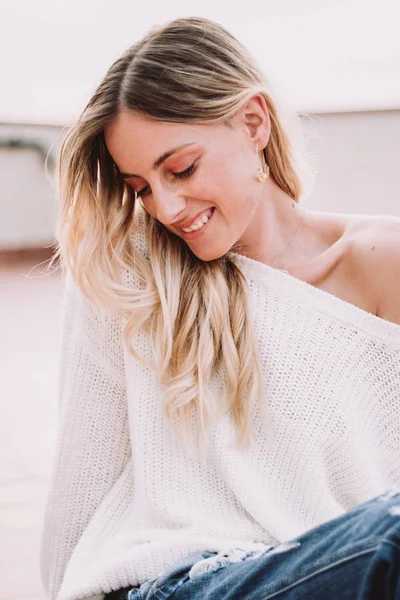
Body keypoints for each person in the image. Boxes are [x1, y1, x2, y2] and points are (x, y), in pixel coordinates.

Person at [40, 16, 400, 600]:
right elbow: (83, 486)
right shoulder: (128, 272)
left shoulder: (383, 261)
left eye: (181, 169)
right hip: (176, 583)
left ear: (253, 123)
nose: (167, 207)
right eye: (141, 187)